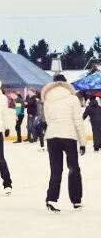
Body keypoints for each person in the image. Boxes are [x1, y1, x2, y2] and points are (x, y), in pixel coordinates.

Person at [41, 74, 87, 212]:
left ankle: (51, 199)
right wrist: (83, 142)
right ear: (66, 84)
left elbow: (48, 119)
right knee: (73, 168)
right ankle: (76, 200)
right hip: (69, 136)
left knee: (56, 169)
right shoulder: (73, 99)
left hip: (52, 135)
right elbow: (78, 122)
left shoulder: (48, 99)